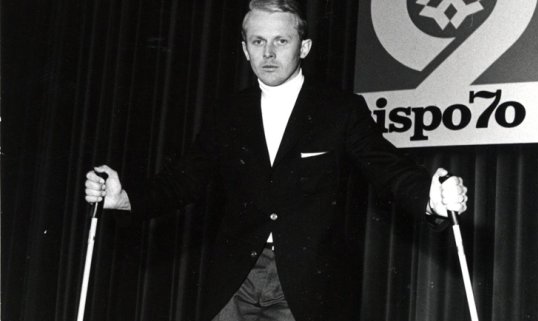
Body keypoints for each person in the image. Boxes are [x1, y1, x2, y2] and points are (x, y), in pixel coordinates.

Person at [85, 0, 468, 320]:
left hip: (305, 282)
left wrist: (431, 198)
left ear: (303, 47)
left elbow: (387, 168)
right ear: (244, 49)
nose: (268, 53)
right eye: (258, 41)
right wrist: (125, 197)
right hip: (235, 280)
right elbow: (186, 179)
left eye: (281, 40)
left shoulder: (340, 110)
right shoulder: (226, 113)